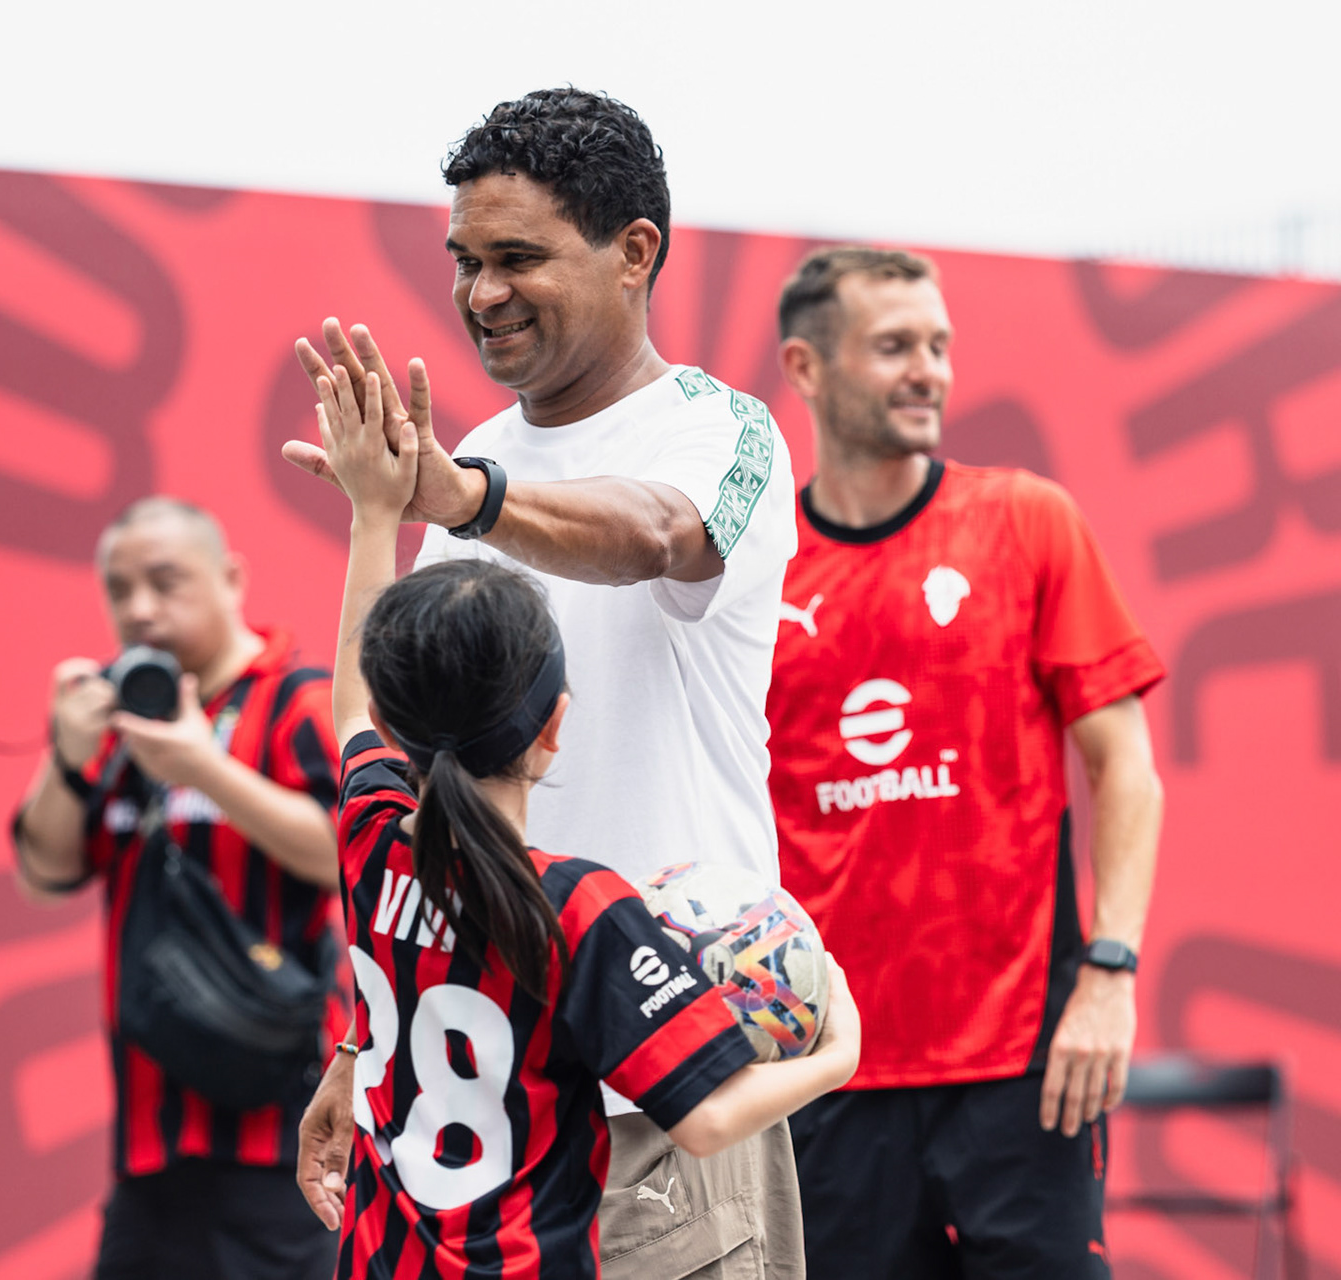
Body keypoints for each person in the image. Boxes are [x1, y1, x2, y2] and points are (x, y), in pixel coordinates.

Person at [284, 88, 806, 1278]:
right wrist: (365, 1037)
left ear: (636, 251)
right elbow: (409, 767)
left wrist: (465, 500)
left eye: (517, 258)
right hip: (478, 1105)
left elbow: (661, 534)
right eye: (465, 260)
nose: (481, 293)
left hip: (661, 1099)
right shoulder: (471, 464)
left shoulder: (719, 431)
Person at [311, 356, 858, 1278]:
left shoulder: (372, 842)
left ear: (398, 728)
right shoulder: (583, 908)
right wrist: (838, 1051)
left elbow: (348, 709)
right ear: (556, 728)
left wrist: (372, 515)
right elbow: (706, 1117)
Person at [767, 246, 1166, 1278]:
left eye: (939, 346)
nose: (929, 371)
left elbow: (1125, 766)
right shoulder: (757, 575)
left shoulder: (1028, 520)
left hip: (1026, 1068)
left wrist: (1110, 975)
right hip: (829, 1070)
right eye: (895, 346)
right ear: (807, 367)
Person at [12, 496, 343, 1280]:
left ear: (231, 579)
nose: (140, 610)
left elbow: (348, 854)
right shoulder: (119, 716)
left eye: (165, 583)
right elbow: (43, 873)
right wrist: (67, 757)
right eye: (119, 590)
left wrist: (203, 769)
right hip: (151, 1149)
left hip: (280, 1142)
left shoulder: (295, 699)